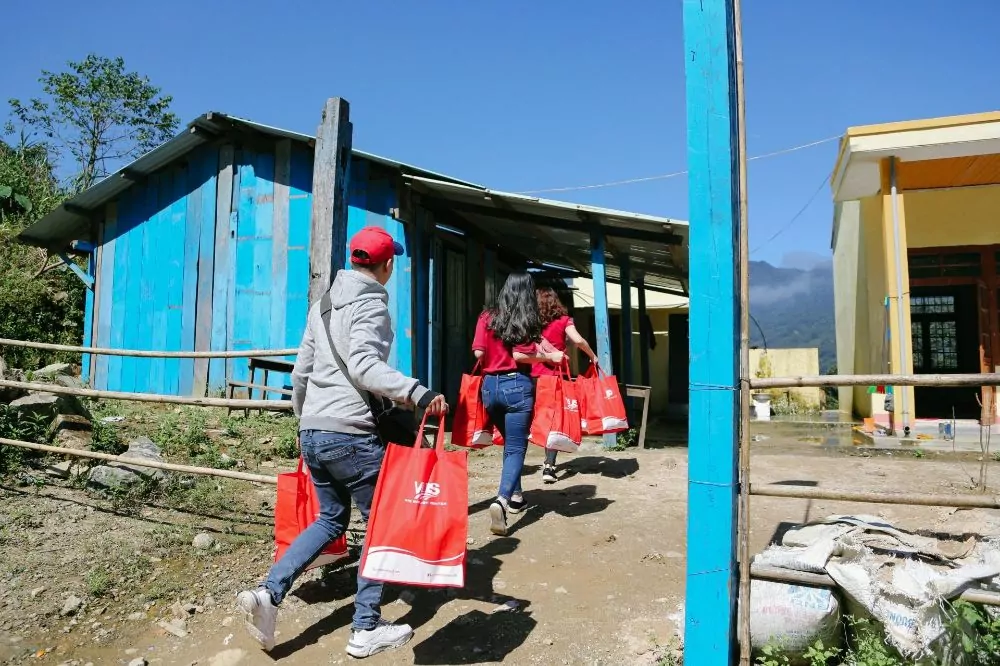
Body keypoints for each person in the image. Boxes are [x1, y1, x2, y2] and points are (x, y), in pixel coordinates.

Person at [237, 226, 448, 659]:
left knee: (331, 520)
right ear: (387, 264)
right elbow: (365, 366)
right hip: (349, 433)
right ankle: (365, 628)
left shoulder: (324, 304)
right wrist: (418, 392)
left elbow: (301, 372)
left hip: (314, 429)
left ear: (354, 260)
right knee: (381, 524)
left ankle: (267, 593)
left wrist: (307, 422)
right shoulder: (371, 304)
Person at [472, 272, 564, 536]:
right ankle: (502, 500)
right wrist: (549, 357)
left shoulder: (486, 316)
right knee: (515, 447)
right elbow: (520, 355)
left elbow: (478, 352)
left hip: (489, 387)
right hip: (516, 386)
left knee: (510, 444)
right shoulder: (524, 317)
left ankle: (516, 497)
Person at [532, 287, 599, 483]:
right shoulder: (564, 320)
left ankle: (518, 465)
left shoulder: (532, 322)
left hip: (533, 377)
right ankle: (549, 466)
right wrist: (592, 355)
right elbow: (578, 340)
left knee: (534, 419)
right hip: (556, 378)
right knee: (555, 422)